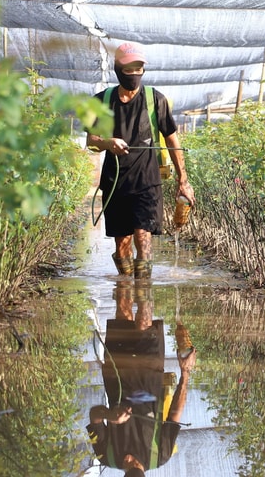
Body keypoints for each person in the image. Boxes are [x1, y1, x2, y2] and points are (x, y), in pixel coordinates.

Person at [86, 42, 195, 278]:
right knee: (122, 244)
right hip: (115, 183)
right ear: (118, 69)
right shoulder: (101, 102)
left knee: (143, 238)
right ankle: (124, 294)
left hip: (147, 183)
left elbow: (172, 140)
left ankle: (144, 300)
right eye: (129, 69)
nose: (135, 74)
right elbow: (91, 140)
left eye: (139, 68)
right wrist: (108, 143)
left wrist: (183, 180)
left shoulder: (156, 100)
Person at [87, 278, 197, 473]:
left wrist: (109, 415)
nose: (128, 458)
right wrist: (185, 372)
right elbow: (174, 416)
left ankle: (128, 271)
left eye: (126, 463)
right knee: (144, 316)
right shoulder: (160, 455)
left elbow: (94, 415)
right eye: (134, 462)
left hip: (116, 370)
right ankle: (144, 271)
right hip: (149, 371)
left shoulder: (105, 455)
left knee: (123, 306)